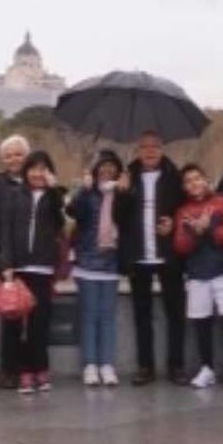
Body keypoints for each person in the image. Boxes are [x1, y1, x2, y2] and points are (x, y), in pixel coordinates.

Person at [0, 150, 67, 394]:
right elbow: (5, 232)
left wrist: (56, 191)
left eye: (43, 169)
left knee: (40, 323)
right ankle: (24, 371)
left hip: (43, 268)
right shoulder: (15, 196)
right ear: (26, 171)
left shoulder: (53, 197)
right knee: (19, 325)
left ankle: (41, 369)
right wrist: (6, 265)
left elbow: (61, 223)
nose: (38, 173)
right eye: (33, 168)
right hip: (19, 269)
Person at [173, 164, 223, 394]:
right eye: (188, 181)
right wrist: (194, 233)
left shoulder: (221, 202)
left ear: (206, 180)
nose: (194, 184)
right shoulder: (183, 211)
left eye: (197, 178)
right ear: (184, 187)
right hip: (197, 274)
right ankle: (207, 367)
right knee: (201, 323)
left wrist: (209, 230)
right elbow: (180, 246)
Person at [124, 131, 188, 387]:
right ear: (138, 150)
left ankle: (176, 365)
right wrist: (123, 192)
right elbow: (119, 216)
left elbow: (185, 209)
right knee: (142, 315)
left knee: (175, 313)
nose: (150, 151)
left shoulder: (174, 176)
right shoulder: (128, 176)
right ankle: (145, 366)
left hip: (167, 253)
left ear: (162, 149)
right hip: (139, 254)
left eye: (155, 147)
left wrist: (173, 222)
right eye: (145, 147)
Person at [66, 150, 133, 387]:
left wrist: (125, 194)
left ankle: (107, 364)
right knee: (89, 316)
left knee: (107, 317)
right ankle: (90, 364)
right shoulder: (88, 192)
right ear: (96, 170)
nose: (107, 170)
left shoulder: (122, 192)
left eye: (111, 166)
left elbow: (128, 220)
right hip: (87, 261)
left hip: (112, 262)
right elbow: (72, 212)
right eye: (102, 166)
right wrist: (83, 190)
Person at [0, 135, 30, 390]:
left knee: (33, 319)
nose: (14, 159)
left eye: (18, 154)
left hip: (33, 258)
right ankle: (8, 369)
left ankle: (28, 369)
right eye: (9, 155)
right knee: (10, 318)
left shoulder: (37, 179)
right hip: (7, 257)